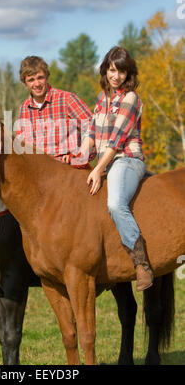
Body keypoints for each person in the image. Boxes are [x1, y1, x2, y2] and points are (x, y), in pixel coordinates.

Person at [66, 46, 153, 291]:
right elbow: (92, 134)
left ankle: (141, 263)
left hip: (126, 160)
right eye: (112, 70)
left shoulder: (131, 99)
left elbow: (116, 141)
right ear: (106, 69)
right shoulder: (102, 98)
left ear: (128, 74)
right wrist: (78, 158)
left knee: (115, 203)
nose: (116, 76)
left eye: (122, 71)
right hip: (106, 162)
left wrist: (97, 168)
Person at [16, 55, 93, 164]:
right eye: (31, 80)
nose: (37, 84)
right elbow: (22, 146)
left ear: (47, 77)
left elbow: (94, 129)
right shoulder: (24, 109)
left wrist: (80, 155)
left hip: (67, 169)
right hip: (38, 172)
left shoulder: (67, 99)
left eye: (40, 78)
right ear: (25, 83)